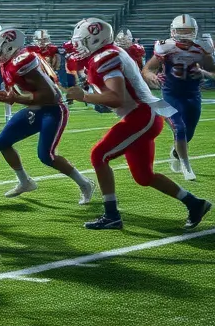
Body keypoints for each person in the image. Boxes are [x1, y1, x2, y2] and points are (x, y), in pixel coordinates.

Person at [65, 18, 210, 231]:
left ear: (95, 40)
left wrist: (85, 96)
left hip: (141, 115)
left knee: (99, 155)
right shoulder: (106, 54)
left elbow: (117, 98)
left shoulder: (106, 57)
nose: (76, 45)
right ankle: (195, 204)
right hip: (143, 114)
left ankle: (112, 215)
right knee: (144, 176)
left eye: (81, 41)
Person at [0, 28, 94, 203]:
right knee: (2, 142)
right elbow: (22, 91)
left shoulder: (22, 61)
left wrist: (16, 98)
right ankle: (25, 182)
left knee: (47, 156)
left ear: (9, 47)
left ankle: (85, 183)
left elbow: (51, 95)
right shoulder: (12, 61)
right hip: (35, 109)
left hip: (52, 110)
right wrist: (7, 95)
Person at [143, 15, 215, 181]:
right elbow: (147, 69)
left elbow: (213, 72)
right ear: (173, 31)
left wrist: (204, 73)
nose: (183, 35)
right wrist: (152, 77)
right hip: (170, 95)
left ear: (194, 32)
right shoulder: (166, 48)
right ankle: (186, 165)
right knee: (179, 128)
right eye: (180, 31)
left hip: (192, 95)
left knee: (188, 133)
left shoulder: (201, 49)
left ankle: (176, 152)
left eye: (187, 31)